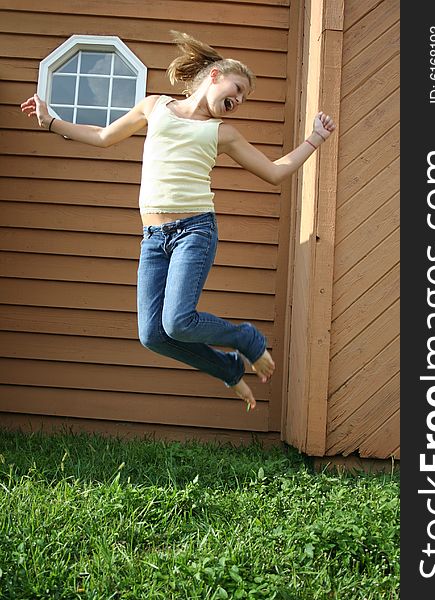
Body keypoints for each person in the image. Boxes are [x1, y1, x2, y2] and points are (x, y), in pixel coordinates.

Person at [20, 31, 336, 412]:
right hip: (153, 238)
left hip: (194, 232)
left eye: (244, 99)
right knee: (153, 334)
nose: (238, 101)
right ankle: (229, 368)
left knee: (178, 321)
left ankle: (246, 339)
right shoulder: (155, 106)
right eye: (237, 89)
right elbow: (103, 136)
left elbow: (273, 172)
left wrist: (314, 139)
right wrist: (51, 121)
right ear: (215, 75)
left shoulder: (223, 133)